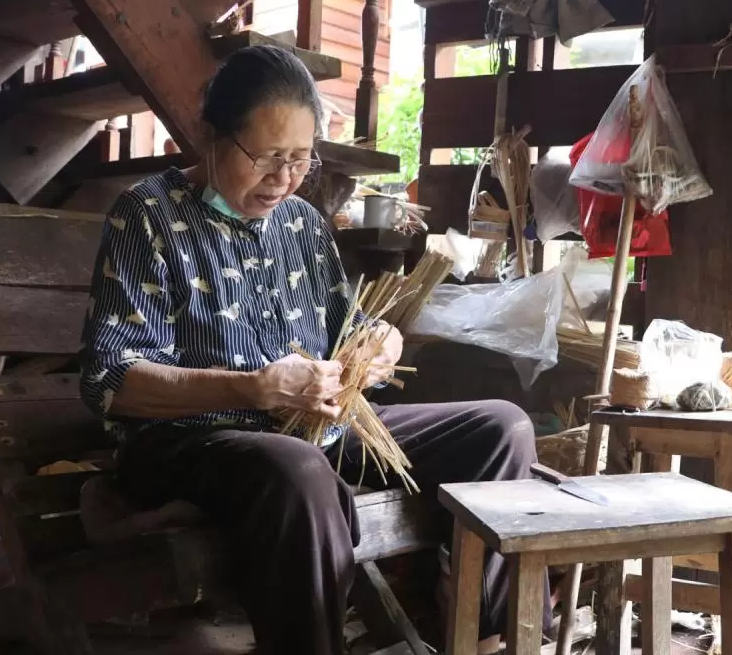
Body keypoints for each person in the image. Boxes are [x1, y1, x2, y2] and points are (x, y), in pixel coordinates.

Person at [79, 45, 550, 655]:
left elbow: (347, 335)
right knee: (300, 471)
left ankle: (483, 640)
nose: (283, 177)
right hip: (191, 441)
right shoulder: (147, 215)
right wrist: (250, 388)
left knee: (502, 429)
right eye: (267, 156)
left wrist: (377, 346)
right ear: (212, 137)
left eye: (301, 159)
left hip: (316, 432)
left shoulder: (302, 224)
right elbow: (111, 381)